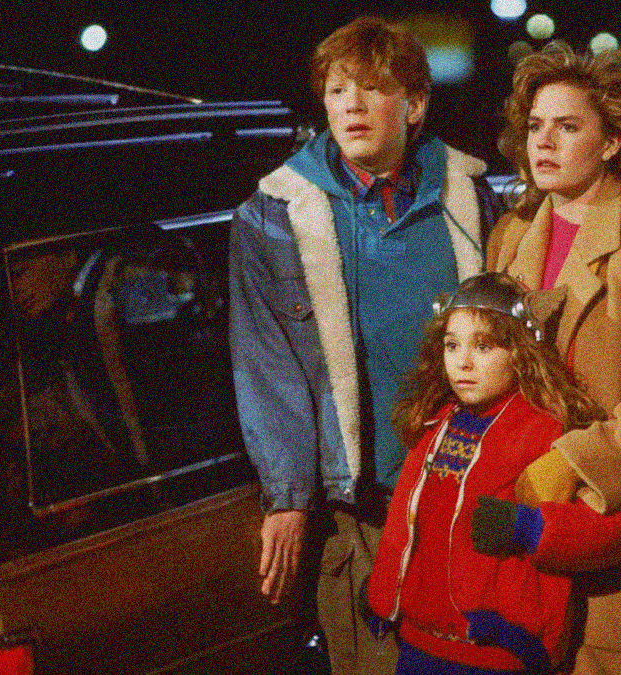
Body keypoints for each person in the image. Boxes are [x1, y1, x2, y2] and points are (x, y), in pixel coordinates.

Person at [228, 16, 502, 675]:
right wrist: (288, 496)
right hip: (363, 514)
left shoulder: (468, 196)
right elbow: (267, 368)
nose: (351, 104)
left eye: (372, 88)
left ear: (415, 105)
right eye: (336, 89)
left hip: (466, 499)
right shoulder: (273, 215)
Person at [488, 42, 621, 675]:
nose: (543, 141)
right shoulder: (510, 237)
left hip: (608, 540)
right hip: (516, 529)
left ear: (611, 142)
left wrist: (571, 464)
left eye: (567, 126)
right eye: (535, 126)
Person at [364, 272, 621, 674]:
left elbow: (614, 525)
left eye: (484, 346)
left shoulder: (544, 430)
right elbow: (404, 520)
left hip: (496, 650)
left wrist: (529, 529)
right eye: (452, 345)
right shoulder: (436, 423)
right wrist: (382, 594)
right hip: (419, 643)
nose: (463, 362)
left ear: (519, 352)